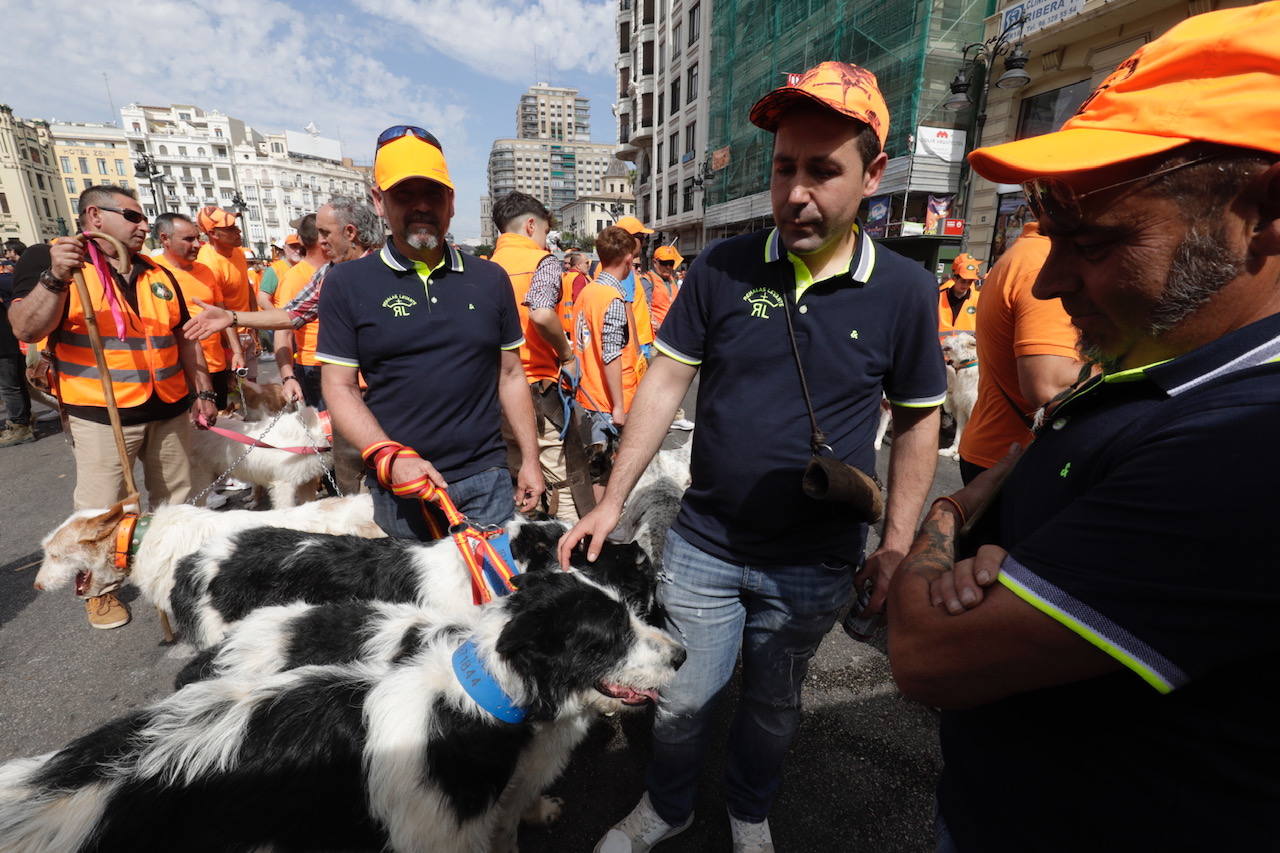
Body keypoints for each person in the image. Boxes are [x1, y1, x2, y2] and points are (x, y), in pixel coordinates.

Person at [886, 6, 1280, 850]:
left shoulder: (1248, 440)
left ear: (1263, 210)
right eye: (1051, 234)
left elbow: (922, 647)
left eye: (1096, 240)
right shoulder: (1173, 357)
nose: (1055, 279)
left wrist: (948, 522)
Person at [563, 61, 946, 852]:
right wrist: (609, 498)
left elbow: (917, 423)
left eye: (822, 170)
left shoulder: (906, 290)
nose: (796, 191)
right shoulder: (721, 268)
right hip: (704, 545)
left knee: (774, 704)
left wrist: (899, 544)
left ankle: (750, 808)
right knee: (681, 701)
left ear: (872, 175)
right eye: (783, 168)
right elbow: (667, 380)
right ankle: (666, 807)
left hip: (816, 563)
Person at [316, 125, 544, 538]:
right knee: (412, 603)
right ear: (378, 201)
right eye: (405, 194)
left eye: (433, 193)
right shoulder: (346, 283)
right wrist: (389, 456)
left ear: (451, 202)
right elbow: (339, 386)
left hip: (487, 480)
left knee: (492, 598)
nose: (421, 206)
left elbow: (511, 374)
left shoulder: (490, 278)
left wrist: (530, 458)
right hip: (402, 489)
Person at [8, 185, 216, 629]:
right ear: (94, 216)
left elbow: (182, 338)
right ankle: (101, 590)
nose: (144, 226)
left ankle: (177, 577)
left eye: (145, 219)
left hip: (170, 407)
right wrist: (55, 279)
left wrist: (203, 391)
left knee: (177, 503)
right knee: (103, 511)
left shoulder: (157, 273)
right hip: (101, 412)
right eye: (133, 217)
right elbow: (26, 326)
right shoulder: (49, 260)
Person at [956, 221, 1081, 484]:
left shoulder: (1028, 254)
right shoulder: (1043, 263)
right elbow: (1050, 387)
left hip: (999, 450)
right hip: (1014, 459)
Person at [490, 191, 588, 520]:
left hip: (497, 392)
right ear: (532, 225)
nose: (546, 240)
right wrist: (566, 355)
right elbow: (542, 313)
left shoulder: (485, 269)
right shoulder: (542, 262)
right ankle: (570, 556)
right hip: (538, 391)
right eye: (546, 232)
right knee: (562, 479)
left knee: (519, 478)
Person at [571, 225, 645, 500]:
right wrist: (618, 407)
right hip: (608, 400)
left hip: (589, 393)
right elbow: (611, 354)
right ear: (628, 259)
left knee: (597, 468)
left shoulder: (589, 292)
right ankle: (604, 533)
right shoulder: (612, 298)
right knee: (606, 471)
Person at [153, 213, 245, 411]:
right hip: (182, 371)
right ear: (164, 239)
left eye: (198, 238)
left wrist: (236, 351)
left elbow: (222, 314)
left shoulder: (205, 271)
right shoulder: (153, 272)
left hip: (216, 366)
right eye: (188, 239)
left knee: (218, 426)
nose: (197, 244)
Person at [270, 214, 327, 406]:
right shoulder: (294, 277)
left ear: (301, 240)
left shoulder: (337, 269)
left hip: (342, 365)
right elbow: (283, 330)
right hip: (313, 368)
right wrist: (288, 376)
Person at [0, 257, 34, 448]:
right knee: (16, 385)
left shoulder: (4, 280)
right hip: (9, 341)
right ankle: (22, 420)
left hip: (5, 344)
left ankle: (20, 426)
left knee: (10, 387)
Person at [937, 252, 981, 345]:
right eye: (963, 281)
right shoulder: (939, 297)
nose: (966, 285)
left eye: (969, 282)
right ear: (955, 279)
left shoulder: (978, 299)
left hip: (966, 355)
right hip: (941, 352)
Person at [257, 234, 301, 311]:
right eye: (294, 247)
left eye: (301, 247)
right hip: (285, 319)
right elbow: (262, 299)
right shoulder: (274, 270)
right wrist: (278, 316)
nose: (298, 250)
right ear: (284, 248)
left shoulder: (306, 267)